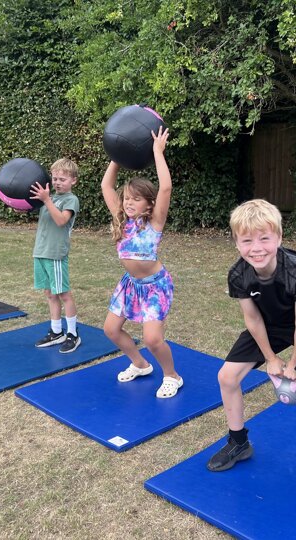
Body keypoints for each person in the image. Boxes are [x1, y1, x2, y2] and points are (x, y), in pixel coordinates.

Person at [207, 199, 296, 515]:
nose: (256, 248)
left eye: (264, 238)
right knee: (226, 377)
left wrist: (293, 365)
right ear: (236, 242)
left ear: (279, 238)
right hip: (269, 328)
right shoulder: (238, 274)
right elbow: (253, 319)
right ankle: (239, 443)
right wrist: (271, 358)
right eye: (247, 240)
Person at [100, 126, 183, 398]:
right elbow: (106, 186)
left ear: (149, 204)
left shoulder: (154, 222)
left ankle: (172, 376)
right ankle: (140, 364)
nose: (128, 202)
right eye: (127, 198)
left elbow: (166, 187)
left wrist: (158, 151)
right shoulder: (121, 219)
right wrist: (117, 155)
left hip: (155, 286)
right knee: (111, 330)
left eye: (136, 199)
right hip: (130, 285)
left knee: (152, 339)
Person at [29, 158, 81, 353]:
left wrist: (47, 200)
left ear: (73, 180)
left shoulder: (70, 200)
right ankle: (57, 332)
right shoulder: (48, 199)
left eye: (62, 179)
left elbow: (60, 221)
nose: (58, 182)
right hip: (41, 251)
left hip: (55, 254)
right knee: (50, 294)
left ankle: (73, 334)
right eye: (55, 178)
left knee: (63, 294)